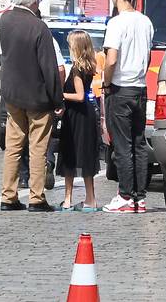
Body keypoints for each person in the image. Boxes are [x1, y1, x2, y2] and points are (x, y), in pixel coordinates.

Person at [0, 0, 63, 212]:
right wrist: (58, 99)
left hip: (12, 95)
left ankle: (8, 196)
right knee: (37, 148)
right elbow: (49, 67)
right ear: (36, 1)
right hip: (37, 97)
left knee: (13, 146)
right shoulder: (39, 28)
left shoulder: (5, 20)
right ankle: (36, 197)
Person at [101, 0, 154, 214]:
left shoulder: (116, 23)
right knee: (139, 144)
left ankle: (124, 195)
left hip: (120, 89)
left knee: (122, 145)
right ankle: (140, 198)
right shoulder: (146, 22)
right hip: (140, 89)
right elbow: (149, 56)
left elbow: (111, 59)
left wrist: (106, 81)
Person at [57, 31, 101, 211]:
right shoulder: (89, 66)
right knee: (86, 155)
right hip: (85, 115)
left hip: (76, 116)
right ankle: (90, 198)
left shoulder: (76, 68)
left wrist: (60, 95)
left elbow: (80, 95)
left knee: (70, 154)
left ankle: (68, 199)